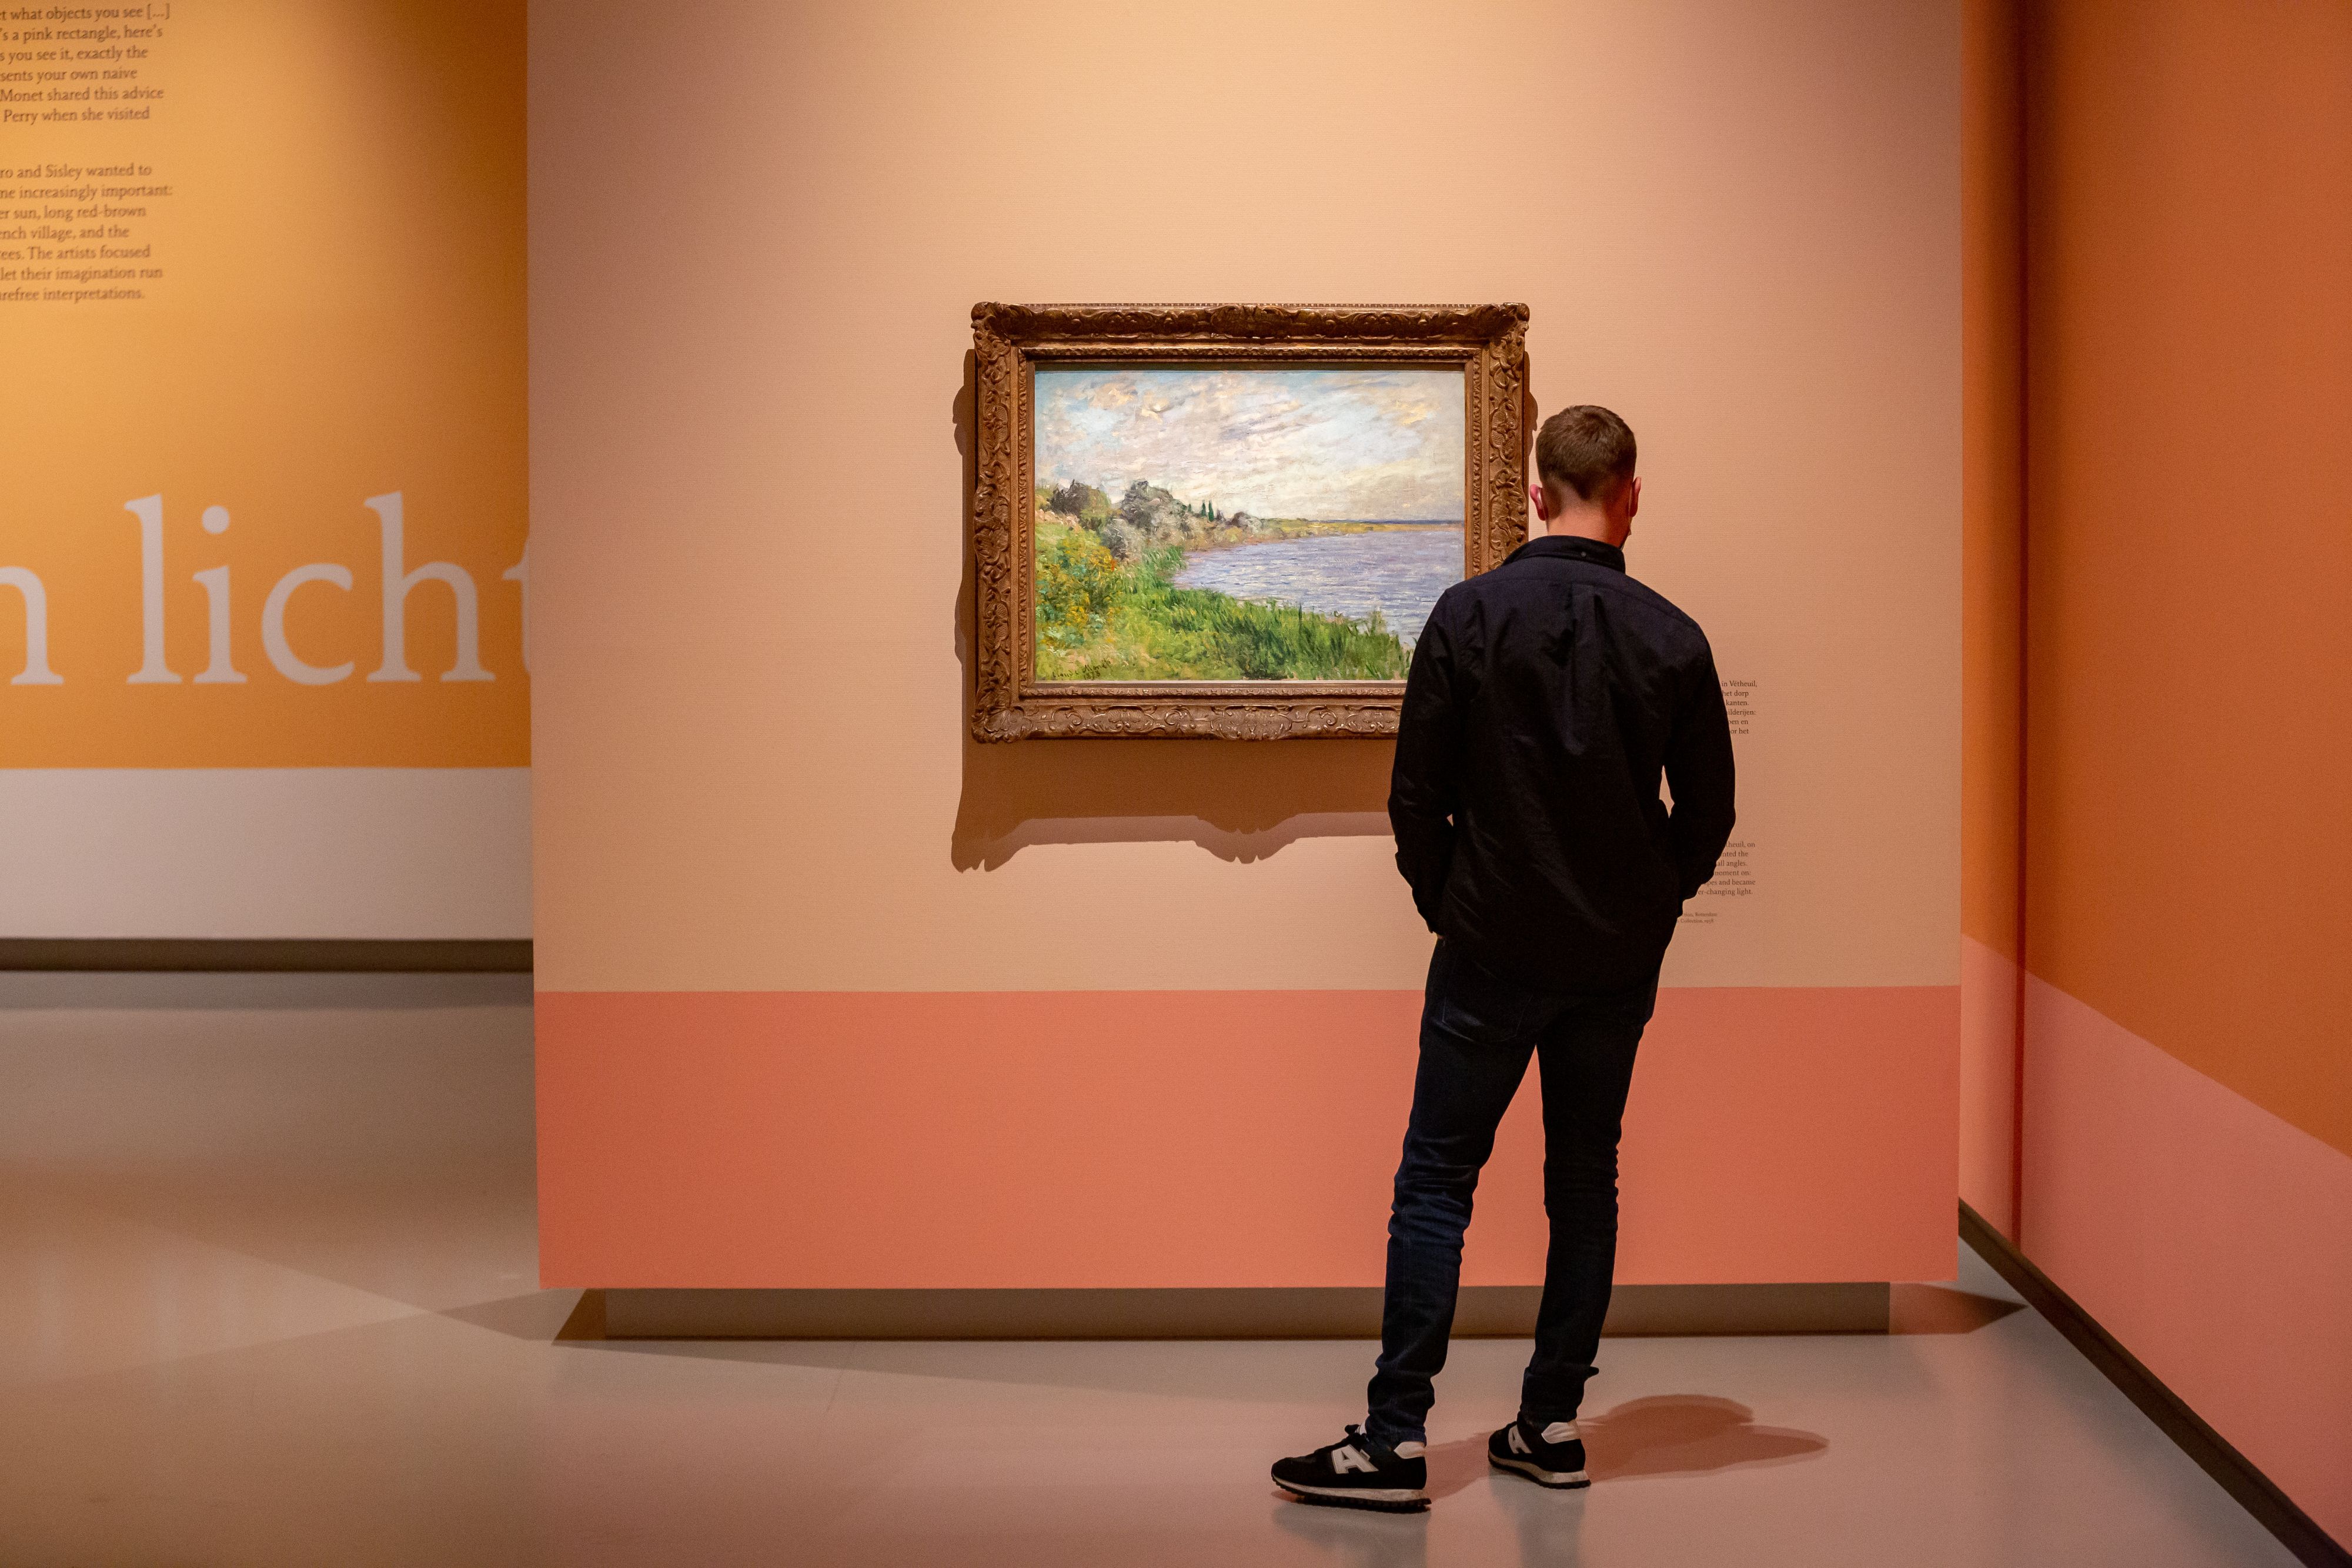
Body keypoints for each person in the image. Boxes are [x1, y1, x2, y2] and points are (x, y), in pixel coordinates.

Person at [1271, 404, 1736, 1512]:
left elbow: (1416, 798)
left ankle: (1393, 1443)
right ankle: (1552, 1424)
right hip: (1612, 966)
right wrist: (1645, 907)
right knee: (1584, 1185)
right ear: (1630, 494)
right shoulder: (1674, 637)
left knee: (1436, 1182)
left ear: (1537, 494)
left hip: (1488, 948)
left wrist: (1455, 906)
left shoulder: (1467, 615)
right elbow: (1709, 815)